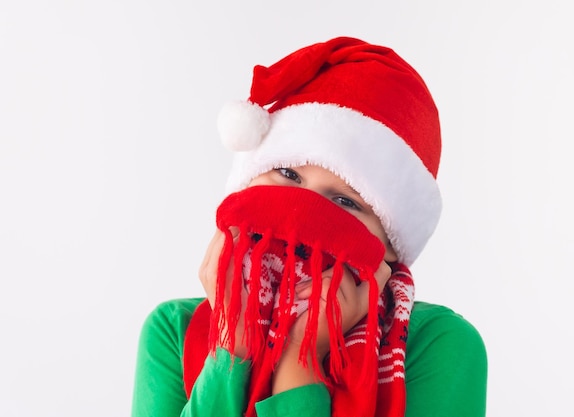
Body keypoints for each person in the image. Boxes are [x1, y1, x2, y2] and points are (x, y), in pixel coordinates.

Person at [131, 36, 487, 417]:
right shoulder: (174, 331)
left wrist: (301, 361)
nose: (302, 214)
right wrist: (230, 349)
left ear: (389, 243)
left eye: (346, 202)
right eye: (287, 173)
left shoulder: (437, 345)